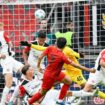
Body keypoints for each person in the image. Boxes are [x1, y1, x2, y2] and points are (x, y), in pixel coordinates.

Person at [20, 37, 95, 105]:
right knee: (42, 92)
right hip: (50, 76)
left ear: (56, 43)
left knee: (68, 81)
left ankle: (60, 100)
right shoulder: (62, 56)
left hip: (56, 73)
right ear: (65, 46)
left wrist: (39, 66)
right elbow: (76, 65)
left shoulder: (50, 48)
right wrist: (89, 70)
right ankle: (29, 102)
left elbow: (40, 56)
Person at [0, 22, 24, 105]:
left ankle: (17, 98)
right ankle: (2, 103)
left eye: (2, 26)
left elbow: (10, 44)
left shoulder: (3, 34)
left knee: (26, 70)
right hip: (5, 60)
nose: (2, 28)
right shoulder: (2, 33)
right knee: (9, 84)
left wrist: (9, 47)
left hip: (10, 58)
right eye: (1, 26)